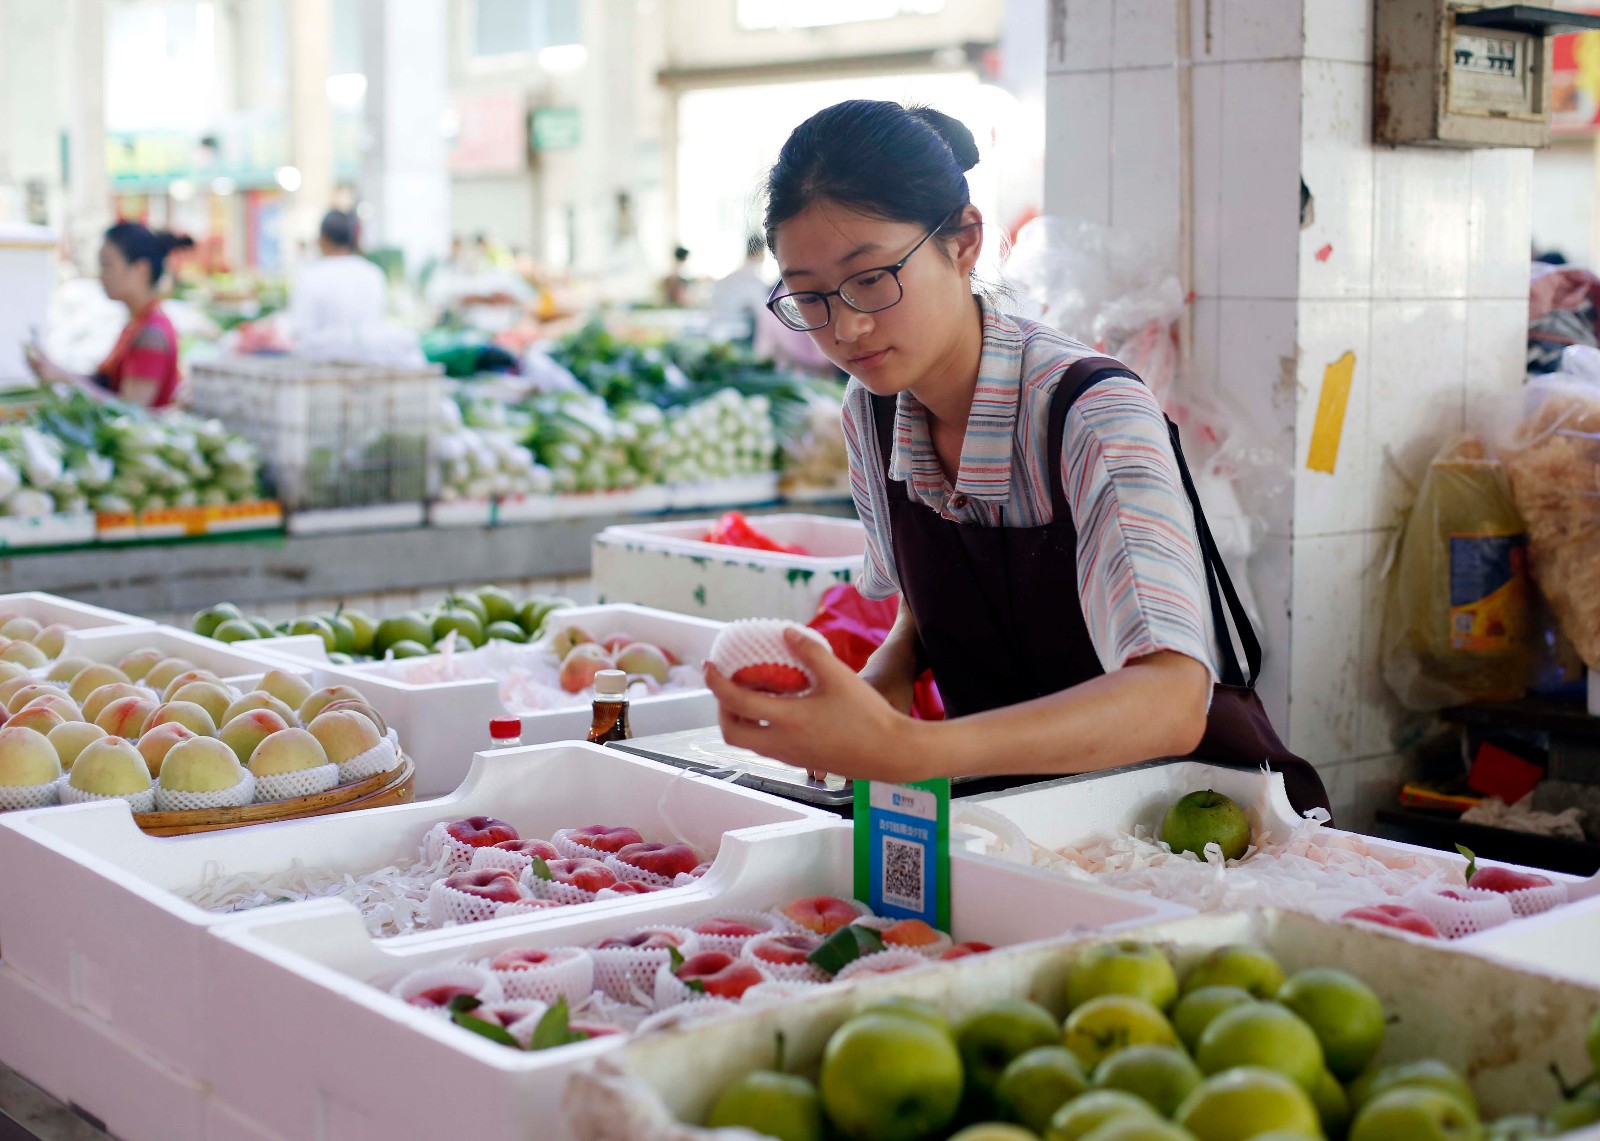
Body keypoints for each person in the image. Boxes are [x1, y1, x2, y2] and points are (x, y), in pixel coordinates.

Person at [703, 99, 1328, 815]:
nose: (846, 326)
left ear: (964, 240)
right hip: (1022, 819)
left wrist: (915, 752)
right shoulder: (871, 413)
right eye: (809, 297)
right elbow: (936, 589)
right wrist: (895, 664)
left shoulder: (1090, 412)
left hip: (1196, 821)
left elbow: (1173, 698)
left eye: (872, 277)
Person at [25, 222, 191, 409]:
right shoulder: (137, 325)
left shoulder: (151, 335)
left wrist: (64, 377)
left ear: (140, 269)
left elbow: (131, 412)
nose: (102, 276)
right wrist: (56, 371)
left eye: (107, 265)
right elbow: (105, 384)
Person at [286, 210, 387, 345]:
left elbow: (299, 330)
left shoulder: (311, 276)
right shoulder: (373, 273)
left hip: (319, 361)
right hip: (369, 360)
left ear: (324, 238)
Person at [710, 234, 772, 339]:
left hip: (719, 334)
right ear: (760, 253)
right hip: (742, 337)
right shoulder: (755, 282)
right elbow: (761, 313)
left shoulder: (728, 279)